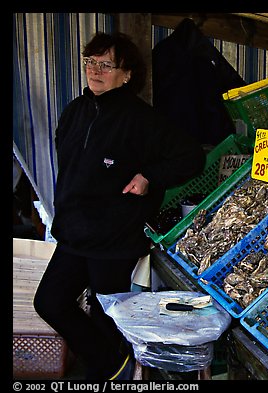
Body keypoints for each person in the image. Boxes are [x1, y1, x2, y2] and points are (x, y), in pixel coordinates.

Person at [33, 31, 206, 380]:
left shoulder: (142, 119)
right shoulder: (75, 111)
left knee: (106, 313)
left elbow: (191, 158)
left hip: (113, 236)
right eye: (90, 62)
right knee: (49, 302)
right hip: (74, 233)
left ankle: (131, 373)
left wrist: (149, 177)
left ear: (127, 74)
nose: (94, 71)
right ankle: (119, 369)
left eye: (106, 65)